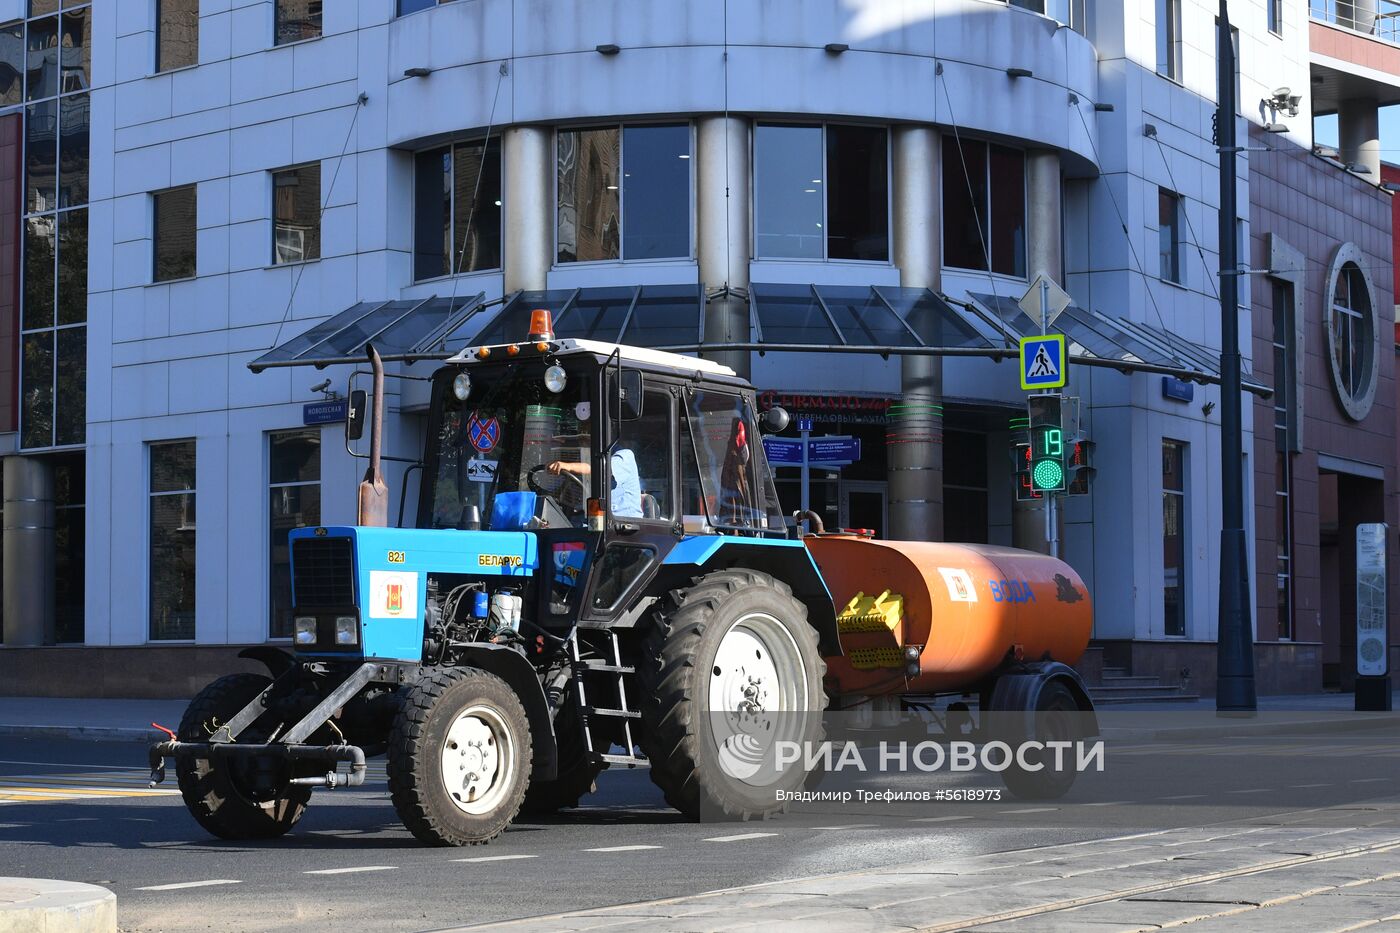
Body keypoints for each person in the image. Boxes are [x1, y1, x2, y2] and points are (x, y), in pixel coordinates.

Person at [547, 449, 642, 518]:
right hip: (592, 521)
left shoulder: (625, 456)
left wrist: (567, 466)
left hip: (623, 528)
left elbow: (602, 470)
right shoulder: (583, 465)